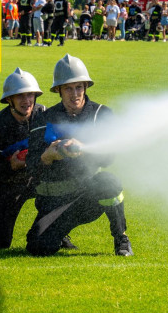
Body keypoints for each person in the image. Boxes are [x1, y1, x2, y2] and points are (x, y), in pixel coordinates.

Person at [25, 55, 133, 257]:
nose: (75, 94)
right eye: (68, 88)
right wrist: (48, 156)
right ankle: (60, 233)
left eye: (79, 87)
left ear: (86, 86)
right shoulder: (44, 119)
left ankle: (121, 239)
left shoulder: (100, 115)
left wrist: (84, 148)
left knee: (109, 181)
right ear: (58, 90)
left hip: (85, 198)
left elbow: (108, 157)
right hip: (53, 201)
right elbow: (31, 163)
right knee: (37, 246)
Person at [0, 68, 76, 250]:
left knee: (65, 183)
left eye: (30, 95)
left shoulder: (44, 117)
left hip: (37, 177)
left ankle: (55, 232)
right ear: (9, 99)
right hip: (6, 184)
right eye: (20, 96)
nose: (27, 101)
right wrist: (10, 166)